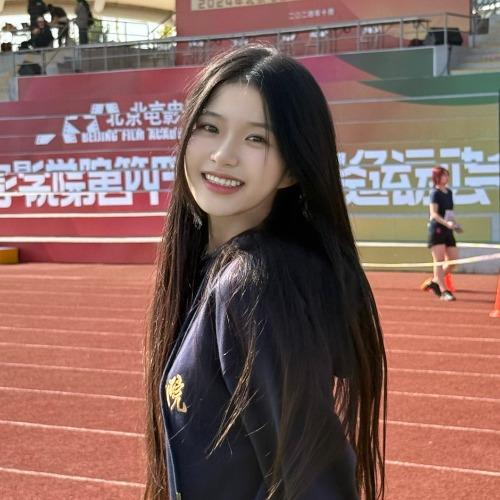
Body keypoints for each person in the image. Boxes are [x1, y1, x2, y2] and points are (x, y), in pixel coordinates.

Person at [145, 45, 387, 500]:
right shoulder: (219, 270)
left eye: (256, 139)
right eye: (209, 127)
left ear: (292, 169)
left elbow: (315, 482)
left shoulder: (253, 286)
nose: (223, 155)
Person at [421, 166, 462, 301]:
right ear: (437, 177)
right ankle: (443, 290)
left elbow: (449, 212)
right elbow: (434, 214)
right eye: (443, 175)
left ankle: (435, 281)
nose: (446, 177)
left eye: (447, 175)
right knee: (438, 261)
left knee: (453, 260)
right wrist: (446, 223)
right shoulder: (435, 193)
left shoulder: (448, 192)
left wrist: (455, 224)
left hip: (448, 229)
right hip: (437, 229)